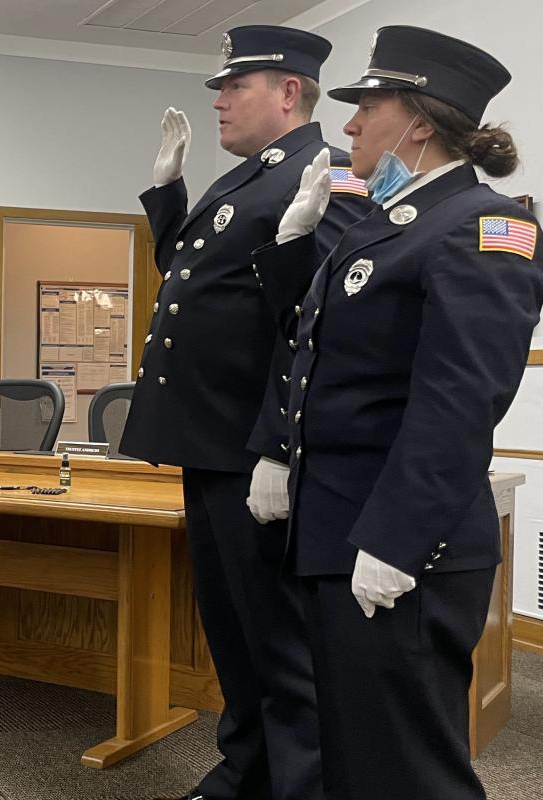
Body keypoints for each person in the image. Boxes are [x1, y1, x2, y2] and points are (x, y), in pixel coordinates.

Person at [258, 25, 543, 800]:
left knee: (410, 771)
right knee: (357, 755)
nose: (348, 123)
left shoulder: (485, 228)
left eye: (368, 105)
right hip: (338, 533)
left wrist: (396, 540)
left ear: (418, 121)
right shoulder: (390, 226)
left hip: (401, 547)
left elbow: (458, 403)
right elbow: (326, 352)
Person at [118, 25, 373, 800]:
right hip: (213, 440)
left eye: (236, 86)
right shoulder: (256, 177)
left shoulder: (325, 176)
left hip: (257, 450)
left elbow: (320, 326)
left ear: (289, 92)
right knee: (232, 634)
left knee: (277, 643)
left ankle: (298, 784)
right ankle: (246, 771)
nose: (221, 101)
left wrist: (280, 449)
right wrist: (168, 196)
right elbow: (203, 276)